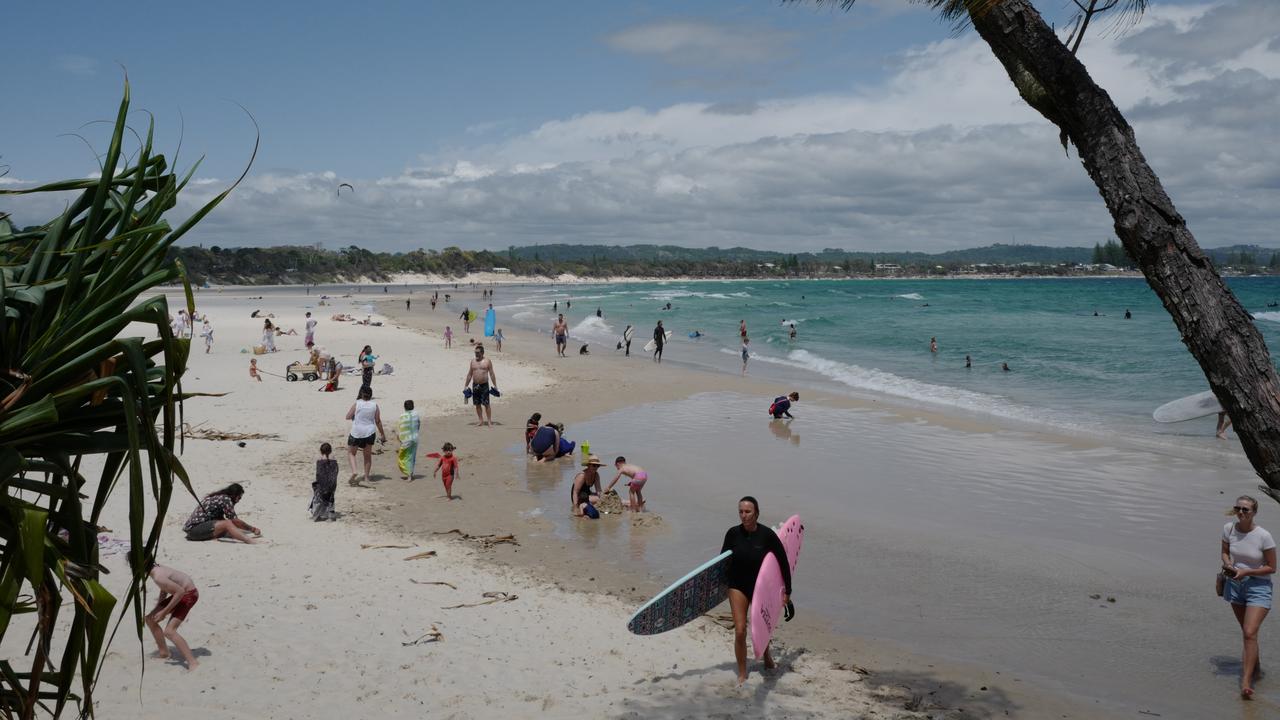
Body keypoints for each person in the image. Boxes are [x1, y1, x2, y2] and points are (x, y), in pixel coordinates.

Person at [722, 496, 792, 685]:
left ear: (757, 513)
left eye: (748, 512)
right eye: (741, 512)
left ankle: (766, 653)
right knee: (740, 630)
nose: (743, 516)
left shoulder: (767, 535)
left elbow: (783, 563)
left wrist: (787, 591)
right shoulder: (732, 534)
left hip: (762, 588)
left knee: (761, 626)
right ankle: (743, 672)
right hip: (737, 586)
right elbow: (722, 561)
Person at [1221, 495, 1276, 699]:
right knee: (1248, 634)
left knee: (1249, 631)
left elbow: (1272, 567)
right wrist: (1228, 564)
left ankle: (1246, 681)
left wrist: (1246, 572)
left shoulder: (1263, 536)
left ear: (1254, 512)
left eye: (1246, 510)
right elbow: (1225, 553)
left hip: (1258, 587)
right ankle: (1256, 669)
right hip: (1234, 585)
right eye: (1238, 508)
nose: (1241, 512)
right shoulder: (1229, 529)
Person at [144, 560, 200, 671]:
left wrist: (164, 612)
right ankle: (164, 652)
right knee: (150, 619)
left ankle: (193, 662)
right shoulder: (155, 569)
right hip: (182, 593)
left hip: (189, 595)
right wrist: (159, 606)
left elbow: (180, 592)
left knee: (169, 631)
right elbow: (165, 588)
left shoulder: (158, 576)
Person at [183, 483, 260, 543]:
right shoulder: (225, 499)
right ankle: (250, 541)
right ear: (234, 495)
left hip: (193, 530)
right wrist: (252, 529)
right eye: (239, 497)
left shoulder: (219, 497)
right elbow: (235, 521)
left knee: (227, 526)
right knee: (227, 524)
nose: (239, 500)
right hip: (194, 530)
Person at [345, 386, 386, 486]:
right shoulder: (375, 405)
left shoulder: (357, 403)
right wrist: (382, 434)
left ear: (362, 394)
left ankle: (355, 471)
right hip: (369, 432)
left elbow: (348, 416)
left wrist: (355, 416)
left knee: (351, 453)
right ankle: (367, 478)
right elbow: (378, 421)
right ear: (371, 395)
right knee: (367, 456)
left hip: (357, 432)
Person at [463, 343, 497, 427]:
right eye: (475, 353)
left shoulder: (487, 361)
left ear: (482, 353)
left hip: (484, 385)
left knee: (486, 404)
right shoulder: (473, 361)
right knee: (477, 404)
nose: (476, 354)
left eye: (478, 353)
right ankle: (480, 420)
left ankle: (489, 421)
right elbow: (470, 374)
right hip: (475, 385)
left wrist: (495, 385)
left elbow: (492, 374)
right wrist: (466, 386)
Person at [310, 442, 339, 521]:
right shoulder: (334, 462)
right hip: (332, 483)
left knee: (319, 498)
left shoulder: (319, 462)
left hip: (321, 483)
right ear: (330, 451)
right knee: (330, 498)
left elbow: (318, 473)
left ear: (321, 451)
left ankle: (316, 515)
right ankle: (331, 516)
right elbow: (336, 472)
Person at [396, 399, 421, 480]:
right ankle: (411, 473)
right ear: (413, 406)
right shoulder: (416, 414)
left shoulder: (402, 416)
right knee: (412, 456)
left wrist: (399, 438)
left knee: (404, 457)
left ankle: (409, 475)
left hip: (406, 439)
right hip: (415, 438)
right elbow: (418, 425)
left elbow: (400, 428)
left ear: (404, 407)